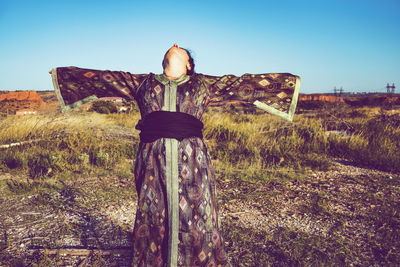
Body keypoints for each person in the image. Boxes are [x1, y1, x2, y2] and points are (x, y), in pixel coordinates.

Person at [49, 43, 300, 267]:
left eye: (182, 50)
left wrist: (287, 83)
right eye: (172, 47)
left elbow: (243, 84)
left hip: (193, 159)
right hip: (151, 157)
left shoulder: (203, 84)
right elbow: (103, 79)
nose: (175, 44)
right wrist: (64, 75)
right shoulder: (143, 83)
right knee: (152, 207)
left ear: (189, 65)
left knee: (196, 209)